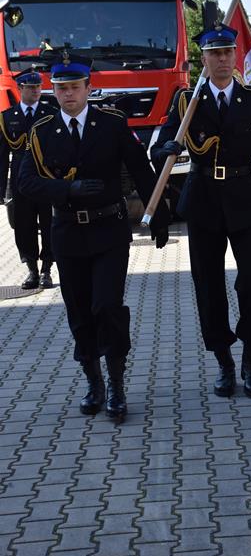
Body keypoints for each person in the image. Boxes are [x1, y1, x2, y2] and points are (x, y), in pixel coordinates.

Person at [151, 23, 251, 399]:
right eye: (215, 54)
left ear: (235, 56)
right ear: (205, 60)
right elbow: (161, 144)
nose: (223, 60)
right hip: (203, 200)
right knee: (208, 286)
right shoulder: (187, 101)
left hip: (243, 198)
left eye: (227, 52)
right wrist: (166, 151)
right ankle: (224, 361)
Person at [18, 57, 170, 419]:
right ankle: (94, 382)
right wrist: (66, 190)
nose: (68, 94)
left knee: (107, 306)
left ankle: (116, 385)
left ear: (89, 88)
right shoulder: (42, 131)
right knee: (80, 311)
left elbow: (140, 167)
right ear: (54, 91)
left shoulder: (112, 123)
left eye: (75, 87)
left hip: (108, 230)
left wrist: (159, 214)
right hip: (68, 233)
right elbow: (25, 182)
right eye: (61, 88)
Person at [0, 71, 56, 288]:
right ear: (20, 88)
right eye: (31, 87)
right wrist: (1, 190)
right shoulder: (7, 117)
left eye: (38, 86)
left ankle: (47, 269)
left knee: (49, 223)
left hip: (46, 176)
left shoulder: (50, 114)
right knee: (24, 225)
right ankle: (31, 269)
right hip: (20, 179)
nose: (36, 90)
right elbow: (2, 156)